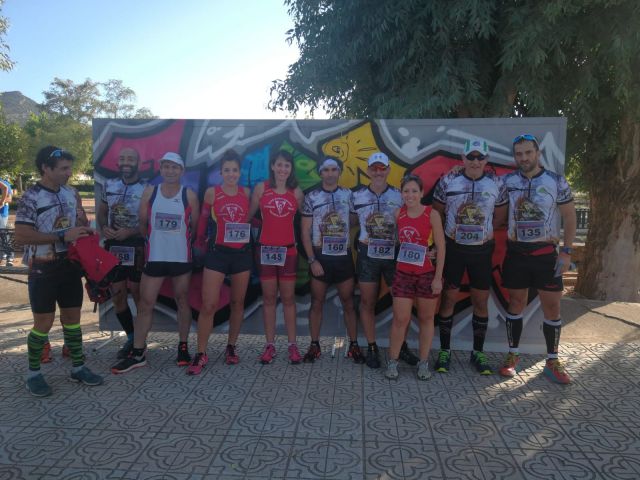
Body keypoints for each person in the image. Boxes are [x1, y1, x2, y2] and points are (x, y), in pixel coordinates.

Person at [15, 146, 102, 397]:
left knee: (73, 319)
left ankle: (78, 367)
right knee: (43, 323)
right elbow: (22, 235)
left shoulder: (71, 192)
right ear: (46, 168)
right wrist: (62, 236)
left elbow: (78, 224)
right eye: (64, 168)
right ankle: (33, 374)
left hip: (70, 265)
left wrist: (86, 230)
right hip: (43, 266)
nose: (69, 172)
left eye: (69, 167)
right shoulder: (31, 196)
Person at [111, 152, 199, 374]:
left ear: (181, 171)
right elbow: (143, 224)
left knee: (182, 300)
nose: (170, 171)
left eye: (174, 167)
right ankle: (138, 352)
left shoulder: (189, 194)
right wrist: (156, 242)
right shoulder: (151, 192)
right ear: (161, 169)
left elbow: (194, 227)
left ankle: (183, 347)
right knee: (146, 303)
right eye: (166, 167)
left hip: (180, 257)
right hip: (155, 256)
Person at [498, 134, 576, 384]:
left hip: (546, 255)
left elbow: (570, 216)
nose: (523, 158)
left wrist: (566, 252)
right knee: (516, 302)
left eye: (528, 153)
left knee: (552, 307)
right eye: (519, 154)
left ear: (537, 153)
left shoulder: (556, 180)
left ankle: (552, 361)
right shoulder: (507, 181)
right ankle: (513, 356)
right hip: (516, 253)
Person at [432, 139, 507, 375]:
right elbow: (437, 212)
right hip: (454, 248)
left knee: (481, 301)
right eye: (471, 156)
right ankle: (445, 351)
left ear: (486, 159)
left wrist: (482, 232)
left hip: (482, 250)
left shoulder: (497, 183)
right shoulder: (448, 180)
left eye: (480, 157)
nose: (476, 161)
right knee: (448, 299)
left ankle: (478, 352)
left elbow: (500, 216)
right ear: (463, 158)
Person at [351, 152, 418, 368]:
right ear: (368, 170)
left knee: (402, 303)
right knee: (367, 302)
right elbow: (349, 220)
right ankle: (372, 347)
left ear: (388, 170)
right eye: (374, 168)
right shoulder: (357, 196)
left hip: (394, 254)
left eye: (382, 168)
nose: (378, 172)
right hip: (367, 254)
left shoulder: (400, 195)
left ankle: (401, 347)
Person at [188, 150, 252, 375]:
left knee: (237, 303)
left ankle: (231, 347)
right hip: (217, 254)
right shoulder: (212, 193)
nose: (231, 174)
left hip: (241, 254)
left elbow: (251, 219)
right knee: (209, 305)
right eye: (227, 170)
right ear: (221, 172)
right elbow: (203, 222)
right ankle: (201, 352)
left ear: (239, 172)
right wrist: (199, 243)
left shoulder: (246, 192)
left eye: (234, 170)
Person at [300, 158, 365, 364]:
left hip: (343, 257)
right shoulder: (312, 197)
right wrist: (312, 260)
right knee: (316, 302)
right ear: (320, 173)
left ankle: (353, 345)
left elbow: (354, 220)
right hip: (320, 257)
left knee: (348, 302)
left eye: (333, 169)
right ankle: (314, 345)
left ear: (339, 172)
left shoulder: (348, 195)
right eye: (326, 170)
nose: (330, 173)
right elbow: (304, 231)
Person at [385, 175, 445, 380]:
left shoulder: (431, 214)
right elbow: (393, 242)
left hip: (427, 274)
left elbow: (441, 247)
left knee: (426, 319)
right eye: (406, 191)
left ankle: (423, 362)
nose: (410, 195)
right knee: (400, 319)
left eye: (414, 191)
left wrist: (438, 278)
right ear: (401, 193)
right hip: (403, 274)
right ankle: (393, 361)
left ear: (421, 193)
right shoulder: (398, 213)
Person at [249, 149, 304, 364]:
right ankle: (269, 345)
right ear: (272, 166)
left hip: (288, 251)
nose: (282, 169)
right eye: (279, 165)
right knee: (269, 298)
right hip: (266, 251)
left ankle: (292, 345)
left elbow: (306, 222)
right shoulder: (261, 189)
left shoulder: (296, 193)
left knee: (289, 299)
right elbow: (248, 216)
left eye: (287, 166)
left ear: (291, 169)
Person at [97, 147, 147, 359]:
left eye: (131, 159)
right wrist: (104, 228)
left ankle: (141, 341)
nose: (126, 162)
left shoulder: (147, 188)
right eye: (123, 158)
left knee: (138, 294)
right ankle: (131, 338)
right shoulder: (109, 184)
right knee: (118, 296)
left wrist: (131, 231)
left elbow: (149, 222)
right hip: (114, 246)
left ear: (138, 163)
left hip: (136, 245)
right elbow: (101, 213)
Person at [0, 177, 15, 266]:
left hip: (2, 213)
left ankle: (9, 256)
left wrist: (1, 201)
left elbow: (9, 199)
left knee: (3, 234)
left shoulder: (5, 183)